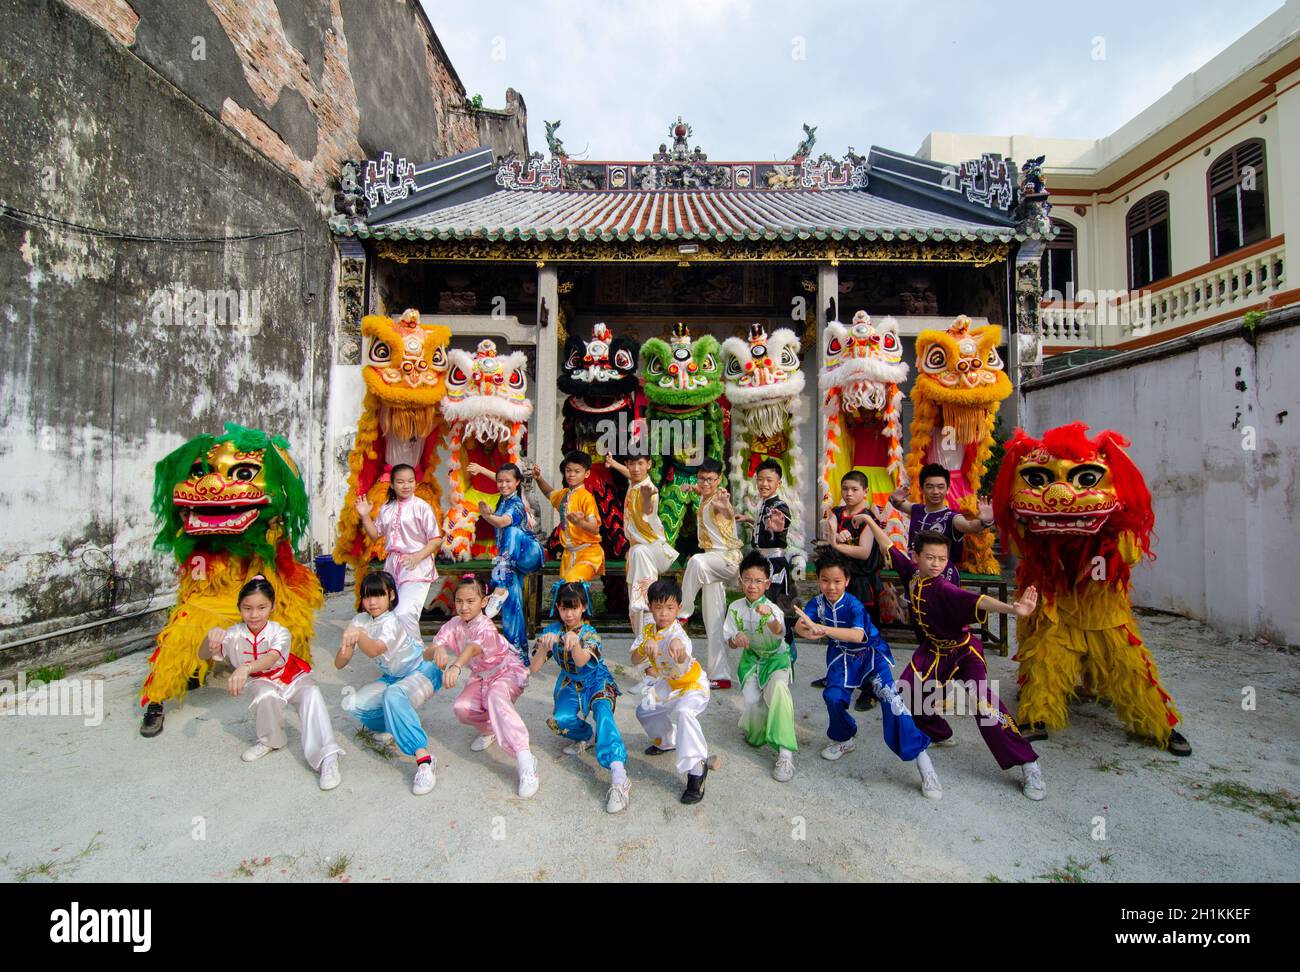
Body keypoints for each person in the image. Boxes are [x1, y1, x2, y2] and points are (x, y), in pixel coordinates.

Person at [861, 513, 1047, 801]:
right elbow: (888, 547)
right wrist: (870, 522)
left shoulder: (944, 588)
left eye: (942, 559)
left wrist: (1014, 610)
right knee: (907, 695)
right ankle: (940, 734)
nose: (936, 564)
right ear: (917, 556)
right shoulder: (911, 572)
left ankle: (1028, 764)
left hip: (963, 652)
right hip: (932, 651)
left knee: (984, 705)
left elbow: (979, 601)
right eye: (930, 558)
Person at [794, 550, 940, 799]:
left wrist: (823, 629)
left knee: (892, 700)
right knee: (832, 696)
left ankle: (923, 761)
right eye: (825, 580)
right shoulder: (817, 603)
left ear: (847, 581)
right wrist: (807, 631)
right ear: (818, 580)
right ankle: (845, 738)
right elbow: (801, 624)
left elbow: (857, 635)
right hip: (842, 658)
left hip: (870, 655)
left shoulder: (854, 604)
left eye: (837, 581)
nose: (831, 586)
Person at [199, 576, 343, 790]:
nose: (254, 614)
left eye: (261, 607)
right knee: (265, 694)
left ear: (272, 606)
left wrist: (244, 668)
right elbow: (203, 655)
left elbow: (271, 659)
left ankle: (327, 757)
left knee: (311, 693)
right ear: (239, 607)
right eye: (247, 608)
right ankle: (271, 740)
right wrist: (210, 638)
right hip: (262, 680)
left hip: (291, 676)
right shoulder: (233, 634)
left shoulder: (280, 632)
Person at [427, 574, 540, 798]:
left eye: (470, 601)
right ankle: (489, 729)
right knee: (462, 707)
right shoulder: (453, 624)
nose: (464, 607)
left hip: (505, 672)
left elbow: (473, 649)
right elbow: (431, 648)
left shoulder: (485, 627)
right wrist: (438, 649)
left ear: (484, 601)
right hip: (481, 677)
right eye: (459, 601)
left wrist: (456, 666)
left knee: (496, 699)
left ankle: (525, 759)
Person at [335, 570, 443, 795]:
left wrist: (358, 635)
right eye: (367, 596)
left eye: (378, 595)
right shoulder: (360, 620)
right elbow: (340, 663)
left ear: (391, 595)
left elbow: (375, 649)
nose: (372, 602)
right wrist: (346, 643)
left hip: (421, 673)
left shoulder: (393, 621)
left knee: (393, 696)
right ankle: (394, 724)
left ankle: (424, 759)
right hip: (392, 678)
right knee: (352, 704)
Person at [530, 582, 630, 813]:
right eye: (565, 608)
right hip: (569, 683)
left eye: (574, 608)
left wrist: (574, 644)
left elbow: (582, 661)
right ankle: (587, 736)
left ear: (583, 607)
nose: (569, 613)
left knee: (604, 714)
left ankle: (618, 775)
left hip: (596, 680)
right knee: (559, 721)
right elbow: (534, 668)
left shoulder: (591, 633)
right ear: (558, 607)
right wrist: (544, 649)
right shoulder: (551, 631)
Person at [631, 578, 712, 805]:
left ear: (678, 608)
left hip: (692, 685)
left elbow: (683, 651)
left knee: (686, 713)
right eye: (658, 607)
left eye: (670, 608)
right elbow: (633, 658)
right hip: (668, 685)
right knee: (644, 711)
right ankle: (668, 741)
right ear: (650, 607)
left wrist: (680, 651)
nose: (664, 613)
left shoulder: (679, 635)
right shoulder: (647, 631)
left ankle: (696, 772)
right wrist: (644, 649)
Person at [724, 551, 798, 782]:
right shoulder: (735, 608)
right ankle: (760, 730)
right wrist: (735, 640)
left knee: (778, 693)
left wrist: (771, 618)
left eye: (758, 581)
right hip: (751, 660)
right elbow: (729, 638)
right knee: (753, 707)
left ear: (767, 584)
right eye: (747, 579)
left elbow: (780, 633)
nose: (752, 585)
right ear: (740, 581)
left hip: (775, 659)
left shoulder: (772, 609)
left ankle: (785, 754)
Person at [466, 461, 544, 663]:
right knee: (512, 604)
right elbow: (502, 477)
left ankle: (499, 587)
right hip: (510, 563)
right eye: (500, 481)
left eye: (508, 482)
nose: (503, 485)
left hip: (530, 553)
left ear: (517, 482)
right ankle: (517, 652)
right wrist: (482, 469)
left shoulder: (516, 504)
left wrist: (487, 515)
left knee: (512, 531)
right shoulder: (503, 496)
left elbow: (502, 522)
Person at [354, 463, 442, 641]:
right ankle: (396, 659)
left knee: (405, 612)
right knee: (390, 613)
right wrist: (364, 515)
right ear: (392, 485)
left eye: (410, 481)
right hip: (392, 567)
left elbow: (436, 540)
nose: (406, 485)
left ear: (415, 483)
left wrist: (417, 557)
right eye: (401, 482)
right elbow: (375, 535)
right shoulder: (387, 508)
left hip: (417, 566)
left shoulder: (422, 507)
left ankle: (415, 659)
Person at [678, 457, 744, 689]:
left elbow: (726, 511)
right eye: (702, 478)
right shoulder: (705, 493)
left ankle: (683, 612)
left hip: (726, 560)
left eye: (710, 479)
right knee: (713, 620)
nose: (705, 483)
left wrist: (726, 504)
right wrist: (691, 488)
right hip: (712, 565)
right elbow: (700, 491)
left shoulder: (718, 499)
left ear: (719, 480)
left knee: (695, 561)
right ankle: (721, 676)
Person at [604, 451, 678, 633]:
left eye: (640, 464)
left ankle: (644, 607)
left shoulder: (648, 490)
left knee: (642, 603)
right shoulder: (636, 482)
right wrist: (613, 464)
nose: (636, 469)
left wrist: (646, 505)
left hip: (654, 550)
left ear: (649, 464)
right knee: (634, 604)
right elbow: (630, 474)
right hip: (640, 551)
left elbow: (648, 511)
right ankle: (641, 640)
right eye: (632, 464)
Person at [888, 463, 995, 586]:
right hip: (915, 575)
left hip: (943, 578)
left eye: (940, 487)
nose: (935, 491)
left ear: (948, 489)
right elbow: (897, 502)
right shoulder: (916, 509)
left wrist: (985, 521)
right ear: (922, 489)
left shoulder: (952, 517)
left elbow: (969, 526)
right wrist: (893, 497)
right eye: (930, 487)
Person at [533, 452, 604, 612]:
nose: (571, 474)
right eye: (568, 470)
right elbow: (549, 493)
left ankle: (584, 628)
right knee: (565, 594)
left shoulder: (586, 498)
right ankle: (569, 629)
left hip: (587, 553)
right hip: (568, 555)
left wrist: (580, 523)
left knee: (572, 587)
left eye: (576, 471)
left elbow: (595, 528)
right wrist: (538, 478)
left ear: (587, 473)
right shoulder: (565, 494)